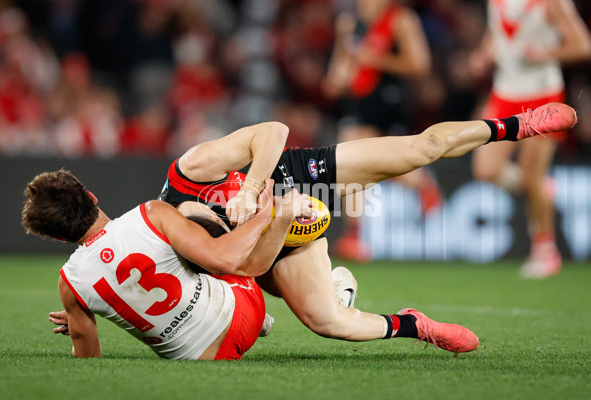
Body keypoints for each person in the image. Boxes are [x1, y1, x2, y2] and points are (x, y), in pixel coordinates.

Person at [156, 103, 576, 350]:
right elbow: (250, 267)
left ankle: (518, 125)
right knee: (329, 322)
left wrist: (249, 190)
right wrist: (274, 221)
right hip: (276, 236)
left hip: (297, 173)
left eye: (212, 217)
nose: (219, 220)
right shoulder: (201, 251)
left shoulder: (192, 170)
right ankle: (413, 324)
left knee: (421, 148)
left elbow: (272, 130)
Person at [23, 169, 313, 360]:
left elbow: (87, 358)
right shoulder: (151, 213)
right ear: (91, 197)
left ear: (60, 238)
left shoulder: (70, 284)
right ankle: (320, 278)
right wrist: (265, 215)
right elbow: (226, 261)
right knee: (189, 210)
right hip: (244, 310)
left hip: (208, 357)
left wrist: (79, 312)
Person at [469, 0, 591, 278]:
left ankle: (545, 249)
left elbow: (582, 44)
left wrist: (547, 52)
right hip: (504, 92)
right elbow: (497, 31)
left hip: (541, 92)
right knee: (485, 170)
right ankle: (536, 189)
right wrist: (484, 54)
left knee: (531, 177)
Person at [323, 0, 440, 261]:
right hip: (357, 102)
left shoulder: (400, 19)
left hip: (388, 100)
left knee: (355, 156)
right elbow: (338, 70)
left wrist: (376, 59)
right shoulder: (349, 22)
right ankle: (418, 183)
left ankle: (355, 234)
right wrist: (339, 76)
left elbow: (419, 64)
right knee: (358, 160)